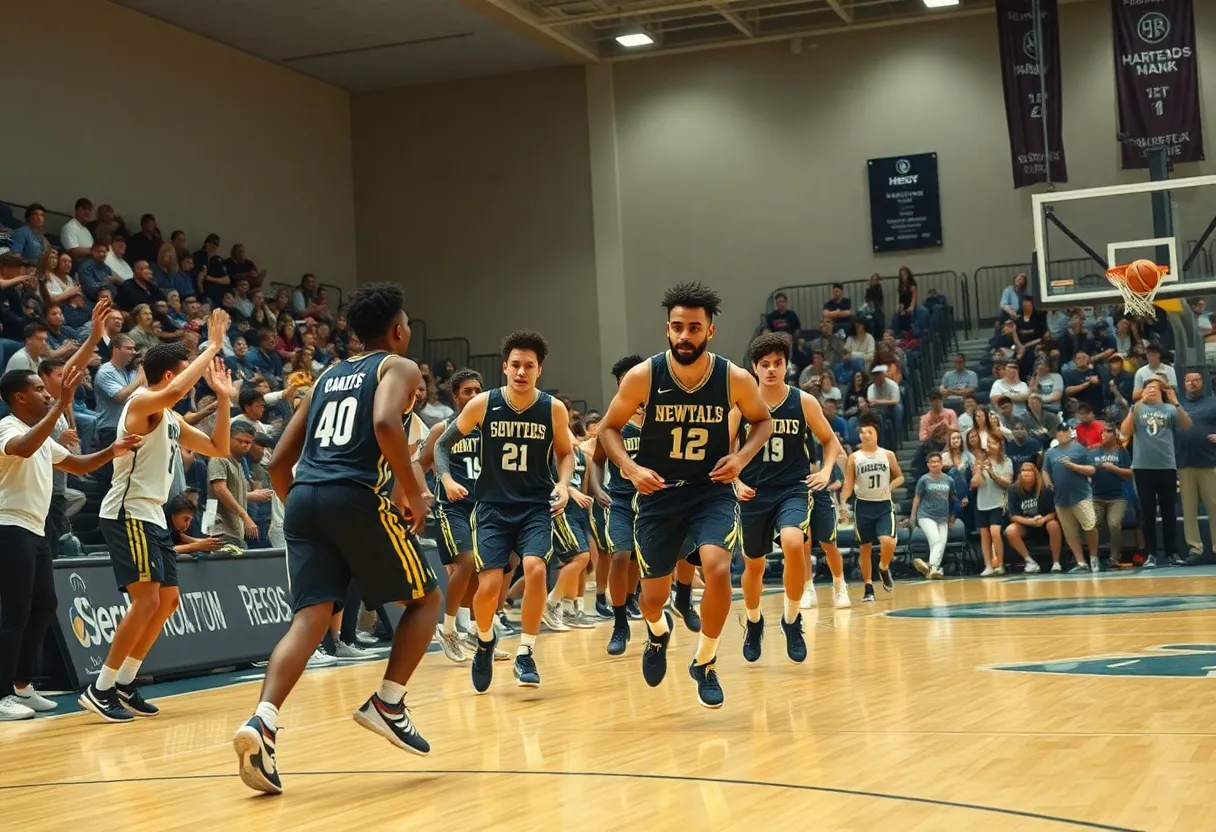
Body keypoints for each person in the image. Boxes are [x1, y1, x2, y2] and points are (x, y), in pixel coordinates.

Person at [234, 284, 439, 796]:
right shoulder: (398, 367)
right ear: (397, 330)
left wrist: (307, 507)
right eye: (407, 322)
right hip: (353, 494)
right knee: (427, 598)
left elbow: (278, 461)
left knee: (310, 619)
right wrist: (413, 491)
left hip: (303, 497)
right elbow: (386, 422)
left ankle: (262, 721)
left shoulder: (325, 376)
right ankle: (389, 701)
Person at [598, 282, 771, 709]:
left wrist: (742, 458)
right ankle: (656, 633)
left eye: (694, 328)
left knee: (716, 567)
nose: (684, 336)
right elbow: (607, 428)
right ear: (667, 329)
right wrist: (631, 467)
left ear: (710, 331)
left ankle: (706, 661)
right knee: (652, 599)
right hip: (658, 496)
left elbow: (762, 422)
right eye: (677, 327)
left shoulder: (733, 377)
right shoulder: (644, 377)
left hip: (710, 490)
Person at [79, 313, 237, 723]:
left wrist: (222, 398)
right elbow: (181, 387)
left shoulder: (169, 418)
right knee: (147, 598)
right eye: (182, 376)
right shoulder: (144, 403)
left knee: (167, 601)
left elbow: (219, 447)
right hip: (127, 510)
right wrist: (213, 347)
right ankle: (100, 688)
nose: (188, 385)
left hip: (151, 513)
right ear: (168, 375)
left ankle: (125, 681)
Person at [0, 320, 141, 720]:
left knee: (44, 604)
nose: (47, 394)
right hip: (8, 527)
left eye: (48, 391)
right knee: (15, 612)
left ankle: (22, 685)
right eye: (40, 389)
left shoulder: (42, 434)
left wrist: (113, 450)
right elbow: (23, 450)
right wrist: (62, 405)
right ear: (17, 396)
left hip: (35, 528)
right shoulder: (8, 428)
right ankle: (0, 694)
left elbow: (77, 465)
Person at [433, 330, 575, 693]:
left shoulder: (552, 409)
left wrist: (562, 484)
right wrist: (447, 479)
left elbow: (566, 454)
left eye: (529, 366)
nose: (521, 372)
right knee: (490, 585)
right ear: (504, 367)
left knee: (535, 567)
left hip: (535, 507)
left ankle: (526, 652)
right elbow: (443, 444)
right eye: (515, 365)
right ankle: (484, 641)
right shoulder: (483, 404)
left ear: (539, 370)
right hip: (493, 507)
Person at [733, 334, 843, 663]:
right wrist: (735, 480)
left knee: (795, 543)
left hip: (792, 488)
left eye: (777, 363)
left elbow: (830, 441)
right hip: (752, 492)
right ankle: (754, 622)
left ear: (786, 366)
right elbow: (724, 452)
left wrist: (825, 472)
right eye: (764, 364)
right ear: (754, 368)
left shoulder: (803, 402)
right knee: (754, 567)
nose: (771, 369)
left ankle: (791, 619)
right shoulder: (740, 404)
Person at [419, 369, 484, 662]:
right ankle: (446, 629)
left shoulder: (488, 429)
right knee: (466, 561)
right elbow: (419, 466)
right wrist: (422, 493)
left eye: (477, 391)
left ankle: (474, 631)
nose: (473, 396)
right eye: (467, 391)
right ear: (456, 396)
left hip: (482, 508)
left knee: (481, 571)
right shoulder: (442, 428)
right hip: (451, 507)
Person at [1121, 376, 1191, 568]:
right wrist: (1138, 403)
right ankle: (1150, 554)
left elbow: (1186, 425)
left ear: (1162, 391)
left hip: (1167, 466)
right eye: (1148, 388)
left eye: (1155, 388)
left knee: (1169, 512)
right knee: (1147, 513)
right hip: (1143, 467)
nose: (1151, 390)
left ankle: (1172, 553)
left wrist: (1175, 401)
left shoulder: (1169, 409)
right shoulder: (1137, 408)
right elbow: (1124, 432)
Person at [839, 411, 904, 602]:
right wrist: (843, 502)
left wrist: (890, 485)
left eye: (869, 432)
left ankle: (883, 567)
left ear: (876, 434)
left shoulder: (888, 455)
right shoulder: (854, 458)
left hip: (883, 505)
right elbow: (849, 484)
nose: (865, 435)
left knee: (888, 541)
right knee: (865, 548)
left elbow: (900, 476)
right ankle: (868, 586)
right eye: (862, 432)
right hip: (863, 506)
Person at [1042, 423, 1100, 573]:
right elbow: (1045, 471)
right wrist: (1048, 483)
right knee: (1070, 532)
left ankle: (1094, 558)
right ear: (1056, 434)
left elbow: (1091, 470)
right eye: (1059, 431)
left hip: (1081, 495)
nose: (1062, 434)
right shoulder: (1050, 453)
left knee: (1090, 525)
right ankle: (1081, 562)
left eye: (1065, 431)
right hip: (1061, 499)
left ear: (1070, 433)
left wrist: (1073, 466)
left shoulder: (1080, 449)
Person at [1178, 370, 1216, 564]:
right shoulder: (1177, 405)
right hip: (1184, 464)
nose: (1193, 383)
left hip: (1209, 462)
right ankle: (1195, 549)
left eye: (1197, 380)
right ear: (1184, 384)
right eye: (1189, 380)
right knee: (1189, 509)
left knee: (1215, 506)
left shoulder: (1213, 402)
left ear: (1203, 382)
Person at [1004, 462, 1062, 573]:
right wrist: (1030, 521)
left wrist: (1043, 520)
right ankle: (1030, 561)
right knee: (1010, 530)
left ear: (1035, 473)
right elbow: (1014, 516)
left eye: (1029, 470)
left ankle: (1056, 563)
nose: (1026, 473)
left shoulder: (1045, 489)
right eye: (1023, 470)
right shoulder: (1013, 489)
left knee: (1053, 524)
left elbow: (1053, 513)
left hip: (1044, 523)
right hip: (1026, 525)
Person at [1090, 424, 1133, 568]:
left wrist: (1114, 468)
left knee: (1114, 524)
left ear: (1115, 436)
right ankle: (1093, 558)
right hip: (1096, 496)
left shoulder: (1122, 452)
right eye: (1102, 433)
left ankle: (1114, 558)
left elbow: (1129, 474)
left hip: (1117, 497)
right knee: (1093, 524)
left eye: (1107, 433)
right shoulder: (1093, 452)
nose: (1103, 436)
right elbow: (1088, 470)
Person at [910, 451, 956, 580]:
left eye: (937, 462)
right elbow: (917, 497)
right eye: (932, 462)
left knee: (941, 543)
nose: (935, 464)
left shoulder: (949, 480)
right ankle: (934, 567)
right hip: (926, 515)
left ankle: (932, 570)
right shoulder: (924, 479)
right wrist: (913, 516)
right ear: (928, 465)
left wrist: (952, 516)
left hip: (943, 518)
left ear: (942, 464)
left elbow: (953, 498)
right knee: (936, 540)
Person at [971, 435, 1013, 575]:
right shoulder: (981, 461)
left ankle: (1000, 564)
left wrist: (991, 473)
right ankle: (988, 565)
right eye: (988, 442)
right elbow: (975, 484)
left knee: (995, 532)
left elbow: (1007, 483)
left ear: (1000, 445)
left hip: (998, 502)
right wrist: (978, 469)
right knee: (984, 534)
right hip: (982, 502)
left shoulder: (1006, 461)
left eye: (994, 443)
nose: (990, 445)